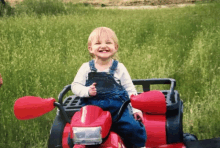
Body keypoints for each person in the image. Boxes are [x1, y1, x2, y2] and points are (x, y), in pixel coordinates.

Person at [71, 27, 146, 148]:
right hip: (92, 110)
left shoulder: (119, 68)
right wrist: (86, 91)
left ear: (115, 47)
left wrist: (136, 109)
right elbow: (75, 86)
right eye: (98, 43)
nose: (103, 46)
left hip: (117, 110)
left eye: (108, 43)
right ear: (90, 48)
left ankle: (139, 146)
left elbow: (130, 89)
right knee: (77, 133)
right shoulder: (86, 67)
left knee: (133, 128)